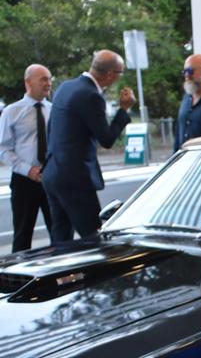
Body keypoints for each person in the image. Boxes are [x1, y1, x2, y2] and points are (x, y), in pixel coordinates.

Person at [42, 50, 135, 242]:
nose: (118, 79)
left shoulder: (65, 87)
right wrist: (124, 110)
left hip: (52, 173)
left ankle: (61, 270)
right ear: (110, 74)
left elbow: (51, 129)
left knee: (60, 237)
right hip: (74, 178)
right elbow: (107, 139)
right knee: (94, 236)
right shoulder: (91, 96)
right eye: (120, 74)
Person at [0, 64, 53, 252]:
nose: (48, 83)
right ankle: (18, 280)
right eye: (43, 79)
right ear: (28, 82)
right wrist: (28, 170)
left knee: (60, 233)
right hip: (24, 181)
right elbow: (3, 149)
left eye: (49, 79)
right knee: (22, 236)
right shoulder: (11, 112)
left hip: (50, 179)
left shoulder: (53, 110)